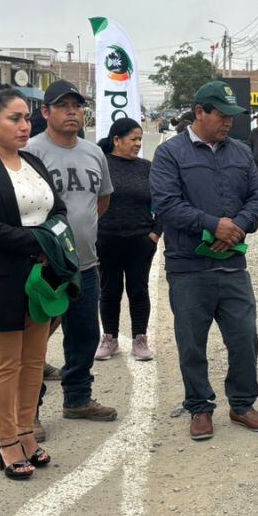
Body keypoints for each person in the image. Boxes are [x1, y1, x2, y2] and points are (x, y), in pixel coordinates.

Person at [150, 80, 258, 441]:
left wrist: (237, 226)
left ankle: (242, 404)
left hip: (232, 265)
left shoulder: (240, 152)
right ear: (199, 112)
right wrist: (212, 225)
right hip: (188, 267)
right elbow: (166, 204)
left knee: (245, 338)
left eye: (232, 116)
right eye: (221, 114)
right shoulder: (170, 153)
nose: (228, 122)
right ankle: (200, 407)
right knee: (191, 343)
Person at [0, 85, 66, 480]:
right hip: (4, 280)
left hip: (41, 277)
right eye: (14, 119)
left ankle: (26, 433)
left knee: (34, 360)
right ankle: (6, 442)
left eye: (26, 118)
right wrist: (43, 241)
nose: (25, 125)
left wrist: (53, 240)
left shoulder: (32, 161)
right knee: (6, 364)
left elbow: (59, 208)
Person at [26, 80, 118, 421]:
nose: (72, 112)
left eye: (77, 106)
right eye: (63, 106)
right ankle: (29, 411)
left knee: (84, 335)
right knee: (34, 339)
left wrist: (80, 230)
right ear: (45, 111)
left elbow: (102, 201)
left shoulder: (94, 152)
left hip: (86, 263)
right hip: (45, 265)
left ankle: (77, 399)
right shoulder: (31, 151)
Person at [95, 117, 158, 362]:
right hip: (106, 239)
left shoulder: (146, 168)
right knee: (109, 290)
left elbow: (164, 201)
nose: (138, 144)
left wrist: (156, 233)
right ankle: (109, 339)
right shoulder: (101, 165)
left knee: (138, 290)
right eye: (133, 139)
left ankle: (140, 339)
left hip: (140, 240)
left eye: (140, 139)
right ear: (116, 140)